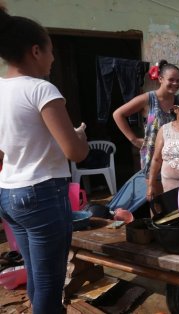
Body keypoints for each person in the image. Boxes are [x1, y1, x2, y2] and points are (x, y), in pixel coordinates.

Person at [0, 5, 89, 314]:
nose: (53, 59)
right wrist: (80, 136)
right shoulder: (41, 90)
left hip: (9, 194)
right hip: (41, 196)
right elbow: (74, 153)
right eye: (51, 51)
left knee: (37, 274)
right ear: (36, 51)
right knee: (51, 286)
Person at [113, 59, 179, 180]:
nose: (175, 83)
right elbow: (118, 114)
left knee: (173, 195)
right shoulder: (149, 98)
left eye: (178, 80)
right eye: (171, 79)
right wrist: (133, 139)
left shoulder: (178, 101)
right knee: (154, 195)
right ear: (160, 79)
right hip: (152, 158)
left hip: (174, 159)